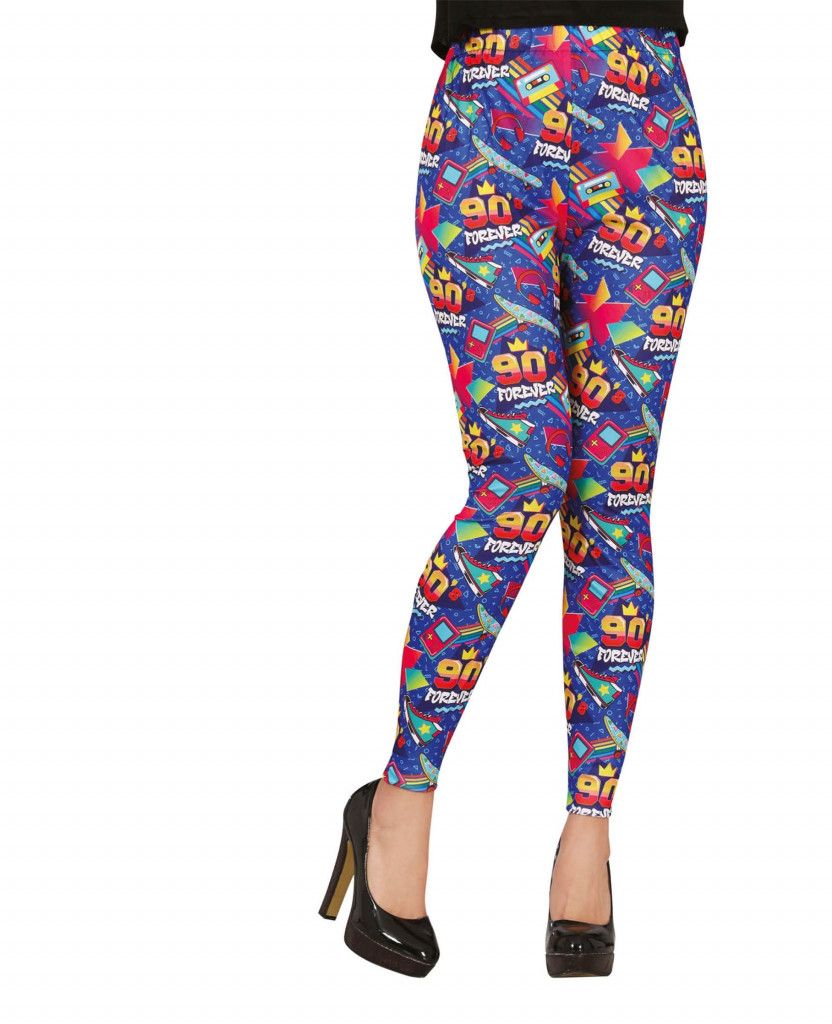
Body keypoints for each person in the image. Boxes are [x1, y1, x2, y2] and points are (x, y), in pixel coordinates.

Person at [319, 0, 706, 977]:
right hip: (491, 111)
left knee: (613, 495)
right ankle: (399, 800)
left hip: (643, 117)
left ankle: (589, 830)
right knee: (520, 477)